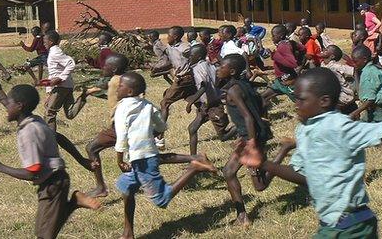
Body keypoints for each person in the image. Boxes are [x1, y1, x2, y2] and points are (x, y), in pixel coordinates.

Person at [240, 67, 382, 238]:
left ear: (323, 101)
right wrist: (264, 163)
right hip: (331, 226)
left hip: (353, 226)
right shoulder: (304, 131)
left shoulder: (338, 125)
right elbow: (305, 177)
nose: (296, 104)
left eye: (301, 99)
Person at [0, 84, 101, 239]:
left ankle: (74, 202)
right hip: (54, 182)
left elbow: (32, 172)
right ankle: (74, 202)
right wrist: (81, 160)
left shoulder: (28, 132)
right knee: (44, 231)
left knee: (44, 235)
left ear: (19, 106)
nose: (6, 106)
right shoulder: (36, 120)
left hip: (53, 184)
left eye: (8, 102)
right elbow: (58, 137)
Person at [114, 72, 217, 239]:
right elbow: (161, 126)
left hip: (142, 160)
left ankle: (195, 168)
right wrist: (153, 130)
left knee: (162, 199)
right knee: (126, 187)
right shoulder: (148, 106)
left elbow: (121, 136)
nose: (117, 89)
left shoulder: (122, 108)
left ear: (130, 91)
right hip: (147, 156)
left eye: (120, 86)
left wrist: (119, 159)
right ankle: (128, 233)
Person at [216, 54, 275, 226]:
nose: (218, 69)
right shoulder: (245, 84)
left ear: (232, 71)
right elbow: (262, 102)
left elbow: (247, 117)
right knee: (259, 185)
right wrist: (261, 120)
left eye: (221, 67)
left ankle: (242, 217)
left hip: (250, 136)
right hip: (254, 133)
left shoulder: (234, 90)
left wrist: (250, 141)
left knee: (228, 172)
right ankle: (242, 216)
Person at [84, 53, 128, 197]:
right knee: (139, 156)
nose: (102, 67)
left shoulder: (115, 81)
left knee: (91, 148)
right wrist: (92, 91)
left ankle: (101, 188)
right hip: (131, 124)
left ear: (114, 69)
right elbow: (109, 92)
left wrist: (89, 91)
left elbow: (106, 86)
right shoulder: (127, 79)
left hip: (119, 126)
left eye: (105, 65)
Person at [185, 44, 235, 155]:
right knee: (192, 129)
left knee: (223, 136)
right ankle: (193, 158)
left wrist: (191, 102)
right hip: (206, 105)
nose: (189, 57)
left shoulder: (199, 67)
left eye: (191, 55)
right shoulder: (209, 64)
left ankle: (241, 126)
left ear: (198, 57)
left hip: (213, 106)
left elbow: (204, 86)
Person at [158, 26, 196, 149]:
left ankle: (159, 138)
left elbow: (195, 55)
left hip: (185, 79)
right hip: (181, 79)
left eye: (168, 35)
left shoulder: (185, 48)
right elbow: (169, 61)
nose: (166, 37)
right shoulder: (170, 47)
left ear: (174, 37)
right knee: (201, 104)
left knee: (164, 103)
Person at [43, 30, 87, 132]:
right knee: (70, 113)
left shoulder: (55, 52)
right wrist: (49, 91)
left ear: (51, 41)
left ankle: (51, 138)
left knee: (49, 113)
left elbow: (71, 63)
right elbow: (53, 72)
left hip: (61, 87)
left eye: (45, 41)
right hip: (66, 85)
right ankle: (84, 95)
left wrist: (61, 78)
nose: (43, 43)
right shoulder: (53, 51)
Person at [261, 25, 305, 105]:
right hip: (280, 81)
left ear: (281, 36)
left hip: (288, 81)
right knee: (263, 97)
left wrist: (274, 55)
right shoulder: (289, 43)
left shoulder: (283, 46)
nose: (272, 38)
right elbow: (302, 49)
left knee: (302, 103)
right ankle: (262, 117)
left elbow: (292, 63)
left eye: (273, 36)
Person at [349, 45, 382, 122]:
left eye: (355, 62)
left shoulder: (369, 73)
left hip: (379, 114)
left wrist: (354, 113)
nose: (354, 64)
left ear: (364, 59)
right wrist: (355, 74)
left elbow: (370, 100)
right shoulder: (368, 70)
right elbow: (361, 94)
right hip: (372, 111)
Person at [321, 45, 357, 114]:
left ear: (332, 56)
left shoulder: (335, 66)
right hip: (335, 99)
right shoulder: (323, 64)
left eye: (327, 49)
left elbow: (354, 71)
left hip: (345, 99)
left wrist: (357, 89)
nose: (324, 49)